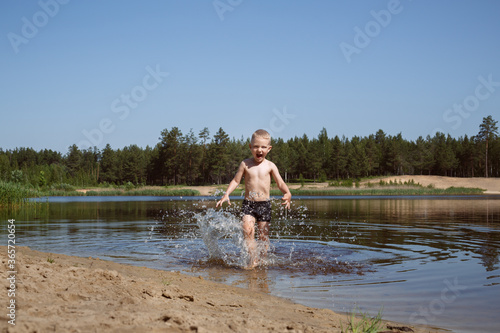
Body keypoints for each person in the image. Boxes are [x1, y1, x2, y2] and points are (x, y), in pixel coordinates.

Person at [216, 129, 292, 269]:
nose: (259, 150)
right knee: (247, 229)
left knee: (263, 236)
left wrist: (287, 193)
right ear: (250, 147)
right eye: (256, 146)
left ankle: (262, 261)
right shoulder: (245, 164)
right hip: (248, 204)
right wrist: (226, 194)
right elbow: (236, 180)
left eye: (263, 147)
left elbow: (280, 183)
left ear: (269, 149)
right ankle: (253, 259)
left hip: (264, 205)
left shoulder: (270, 166)